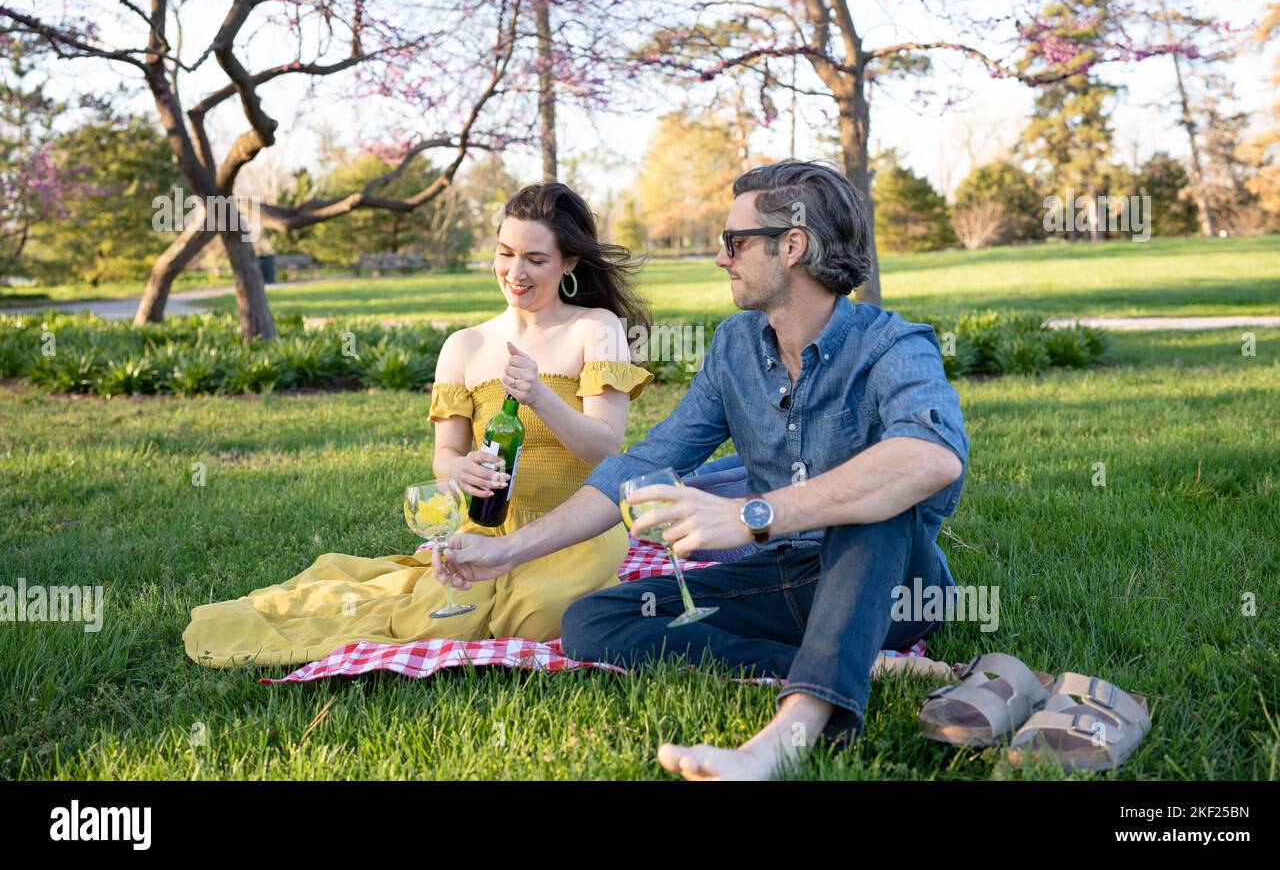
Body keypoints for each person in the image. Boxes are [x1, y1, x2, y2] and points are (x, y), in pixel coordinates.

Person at [438, 160, 969, 780]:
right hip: (786, 581)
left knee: (873, 499)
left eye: (735, 242)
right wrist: (509, 552)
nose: (722, 258)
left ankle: (787, 734)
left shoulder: (892, 346)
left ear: (792, 245)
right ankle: (850, 657)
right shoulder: (736, 347)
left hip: (894, 585)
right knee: (593, 621)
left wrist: (752, 515)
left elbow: (930, 456)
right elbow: (638, 465)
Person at [182, 182, 653, 667]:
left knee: (537, 618)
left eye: (536, 258)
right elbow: (444, 457)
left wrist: (539, 396)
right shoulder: (465, 346)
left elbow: (606, 450)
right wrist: (461, 469)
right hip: (486, 525)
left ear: (569, 263)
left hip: (575, 529)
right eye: (505, 252)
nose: (515, 272)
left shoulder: (594, 328)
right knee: (432, 621)